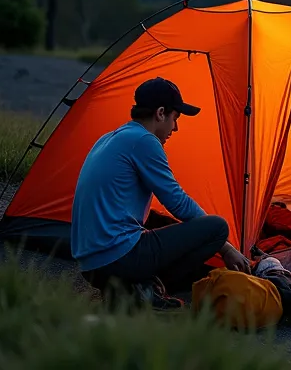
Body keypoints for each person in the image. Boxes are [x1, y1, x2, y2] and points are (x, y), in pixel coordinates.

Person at [70, 76, 251, 310]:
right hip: (117, 259)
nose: (175, 127)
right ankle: (147, 290)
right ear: (161, 113)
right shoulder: (144, 140)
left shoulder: (111, 137)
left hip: (91, 265)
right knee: (216, 227)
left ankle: (129, 288)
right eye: (175, 118)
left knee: (156, 223)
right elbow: (177, 202)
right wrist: (226, 248)